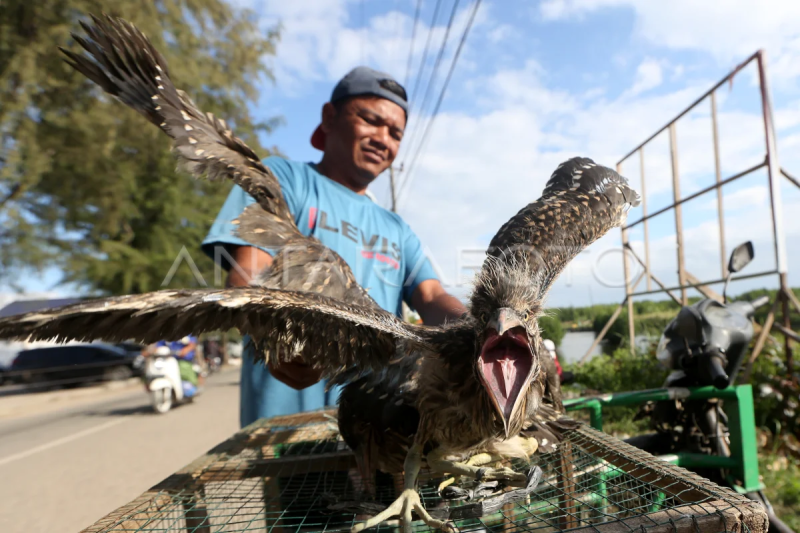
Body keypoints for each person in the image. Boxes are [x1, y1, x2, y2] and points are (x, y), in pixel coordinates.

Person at [202, 66, 467, 427]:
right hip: (285, 432)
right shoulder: (284, 179)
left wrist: (477, 327)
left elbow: (433, 297)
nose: (383, 139)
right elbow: (249, 272)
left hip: (376, 428)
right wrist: (273, 338)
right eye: (371, 120)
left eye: (395, 134)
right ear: (330, 117)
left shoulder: (396, 227)